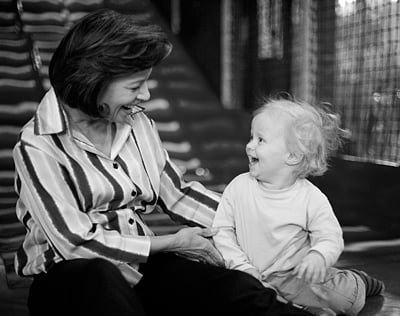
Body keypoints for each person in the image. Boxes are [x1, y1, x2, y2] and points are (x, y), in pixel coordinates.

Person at [12, 9, 313, 316]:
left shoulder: (137, 124)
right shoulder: (38, 146)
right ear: (93, 82)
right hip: (69, 281)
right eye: (134, 86)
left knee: (233, 287)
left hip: (141, 268)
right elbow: (75, 244)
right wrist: (173, 243)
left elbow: (178, 194)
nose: (145, 94)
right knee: (101, 280)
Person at [213, 98, 385, 316]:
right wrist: (241, 266)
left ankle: (358, 282)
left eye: (260, 140)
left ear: (292, 156)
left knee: (344, 300)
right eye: (251, 137)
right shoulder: (238, 187)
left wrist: (318, 256)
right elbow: (222, 231)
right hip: (246, 273)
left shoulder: (310, 197)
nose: (250, 145)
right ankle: (303, 307)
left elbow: (329, 236)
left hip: (295, 275)